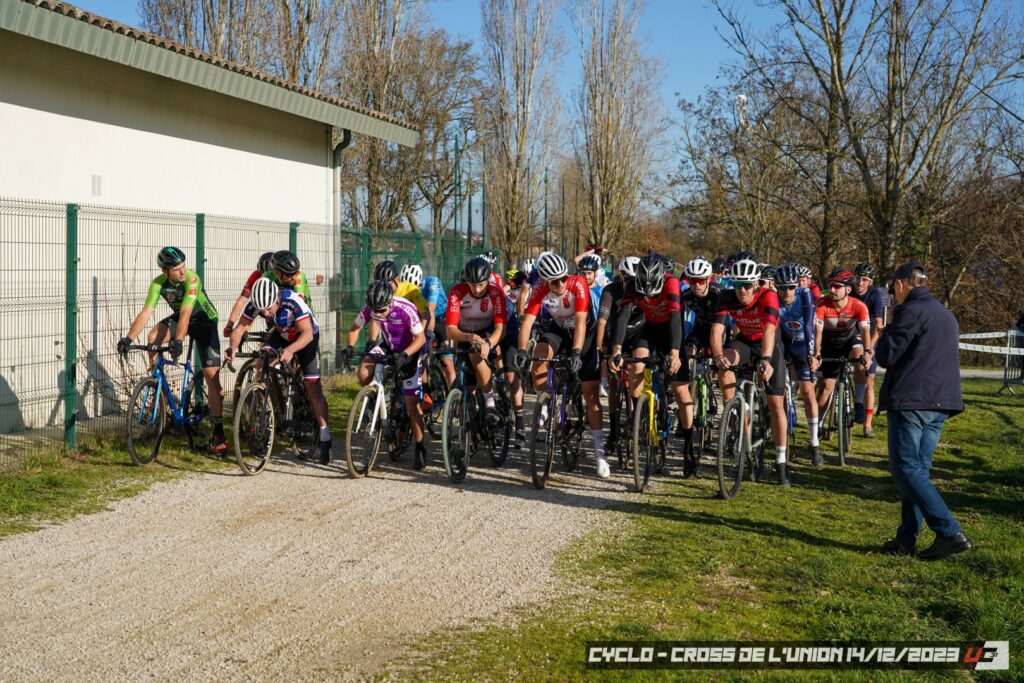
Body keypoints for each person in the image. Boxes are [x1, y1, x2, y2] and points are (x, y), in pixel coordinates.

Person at [877, 262, 970, 560]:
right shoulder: (945, 314)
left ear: (901, 284)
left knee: (905, 469)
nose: (893, 293)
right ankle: (906, 539)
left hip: (912, 400)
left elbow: (886, 356)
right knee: (918, 472)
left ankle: (949, 531)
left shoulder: (909, 311)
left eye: (893, 287)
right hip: (941, 401)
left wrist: (888, 326)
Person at [118, 247, 228, 455]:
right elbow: (146, 312)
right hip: (183, 318)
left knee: (211, 377)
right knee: (153, 337)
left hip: (204, 322)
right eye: (177, 269)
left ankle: (219, 431)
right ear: (164, 271)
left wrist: (178, 341)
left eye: (183, 266)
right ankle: (157, 385)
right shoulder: (158, 284)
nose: (182, 271)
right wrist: (128, 338)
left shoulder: (192, 280)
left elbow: (186, 312)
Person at [514, 252, 608, 478]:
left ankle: (600, 453)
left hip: (584, 332)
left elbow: (580, 322)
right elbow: (527, 322)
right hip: (558, 329)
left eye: (564, 278)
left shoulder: (578, 284)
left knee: (590, 392)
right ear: (545, 281)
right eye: (555, 281)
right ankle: (545, 404)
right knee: (539, 356)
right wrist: (521, 350)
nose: (561, 284)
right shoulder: (539, 289)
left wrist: (576, 352)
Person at [228, 277, 332, 464]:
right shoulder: (257, 304)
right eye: (262, 310)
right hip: (282, 333)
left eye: (269, 308)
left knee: (313, 387)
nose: (265, 313)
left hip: (306, 336)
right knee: (262, 361)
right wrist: (232, 349)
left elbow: (307, 333)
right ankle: (266, 409)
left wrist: (291, 350)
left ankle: (325, 437)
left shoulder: (293, 302)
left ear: (276, 298)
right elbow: (239, 329)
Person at [710, 258, 791, 485]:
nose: (742, 290)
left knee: (776, 404)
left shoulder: (768, 296)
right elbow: (716, 330)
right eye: (738, 285)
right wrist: (717, 355)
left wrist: (765, 359)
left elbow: (769, 330)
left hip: (768, 345)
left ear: (755, 284)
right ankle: (735, 414)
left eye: (747, 285)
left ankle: (781, 461)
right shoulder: (726, 297)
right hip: (744, 342)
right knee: (724, 364)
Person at [607, 255, 687, 475]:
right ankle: (638, 414)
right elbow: (623, 316)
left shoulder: (672, 283)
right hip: (649, 328)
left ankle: (672, 422)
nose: (648, 296)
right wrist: (616, 350)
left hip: (670, 330)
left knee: (675, 381)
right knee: (637, 362)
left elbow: (675, 319)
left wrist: (675, 353)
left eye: (653, 292)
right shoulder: (633, 284)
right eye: (644, 293)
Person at [344, 280, 429, 469]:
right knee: (364, 370)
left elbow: (421, 338)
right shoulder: (372, 307)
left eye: (382, 310)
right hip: (388, 346)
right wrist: (349, 346)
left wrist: (406, 354)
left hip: (410, 350)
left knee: (412, 405)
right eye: (375, 311)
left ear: (390, 301)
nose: (379, 314)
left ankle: (420, 447)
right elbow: (355, 328)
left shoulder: (405, 308)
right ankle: (375, 400)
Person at [446, 257, 507, 426]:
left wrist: (489, 343)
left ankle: (489, 402)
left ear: (488, 280)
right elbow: (450, 329)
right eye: (472, 285)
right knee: (468, 386)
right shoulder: (457, 292)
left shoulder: (495, 292)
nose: (477, 289)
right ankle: (466, 427)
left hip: (487, 332)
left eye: (481, 284)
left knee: (475, 352)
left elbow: (501, 328)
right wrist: (467, 337)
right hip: (465, 334)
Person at [679, 256, 724, 476]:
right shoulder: (686, 295)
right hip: (699, 331)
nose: (696, 285)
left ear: (709, 279)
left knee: (720, 363)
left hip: (719, 331)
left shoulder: (718, 294)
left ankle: (714, 397)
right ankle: (690, 390)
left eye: (701, 280)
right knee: (687, 353)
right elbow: (679, 321)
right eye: (692, 280)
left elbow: (727, 324)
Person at [776, 264, 822, 466]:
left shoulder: (804, 295)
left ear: (797, 286)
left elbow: (810, 326)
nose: (787, 292)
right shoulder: (774, 298)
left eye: (791, 287)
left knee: (808, 391)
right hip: (784, 342)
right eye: (782, 288)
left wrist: (812, 354)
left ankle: (814, 442)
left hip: (803, 342)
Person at [814, 269, 870, 422]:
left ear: (848, 289)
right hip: (828, 343)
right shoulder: (821, 304)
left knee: (860, 360)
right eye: (830, 286)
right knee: (825, 388)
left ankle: (858, 403)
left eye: (837, 286)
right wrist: (817, 353)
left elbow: (865, 331)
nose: (832, 290)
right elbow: (817, 332)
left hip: (849, 339)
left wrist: (868, 352)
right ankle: (818, 424)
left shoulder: (859, 305)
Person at [852, 263, 887, 437]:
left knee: (869, 380)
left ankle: (867, 424)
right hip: (851, 334)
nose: (860, 283)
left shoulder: (875, 295)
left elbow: (879, 325)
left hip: (870, 335)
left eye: (864, 280)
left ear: (870, 282)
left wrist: (870, 348)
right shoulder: (848, 290)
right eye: (858, 278)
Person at [223, 251, 274, 338]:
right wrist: (229, 325)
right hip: (260, 305)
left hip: (275, 306)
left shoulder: (281, 276)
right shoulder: (255, 275)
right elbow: (241, 301)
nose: (265, 277)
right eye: (262, 275)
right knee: (242, 330)